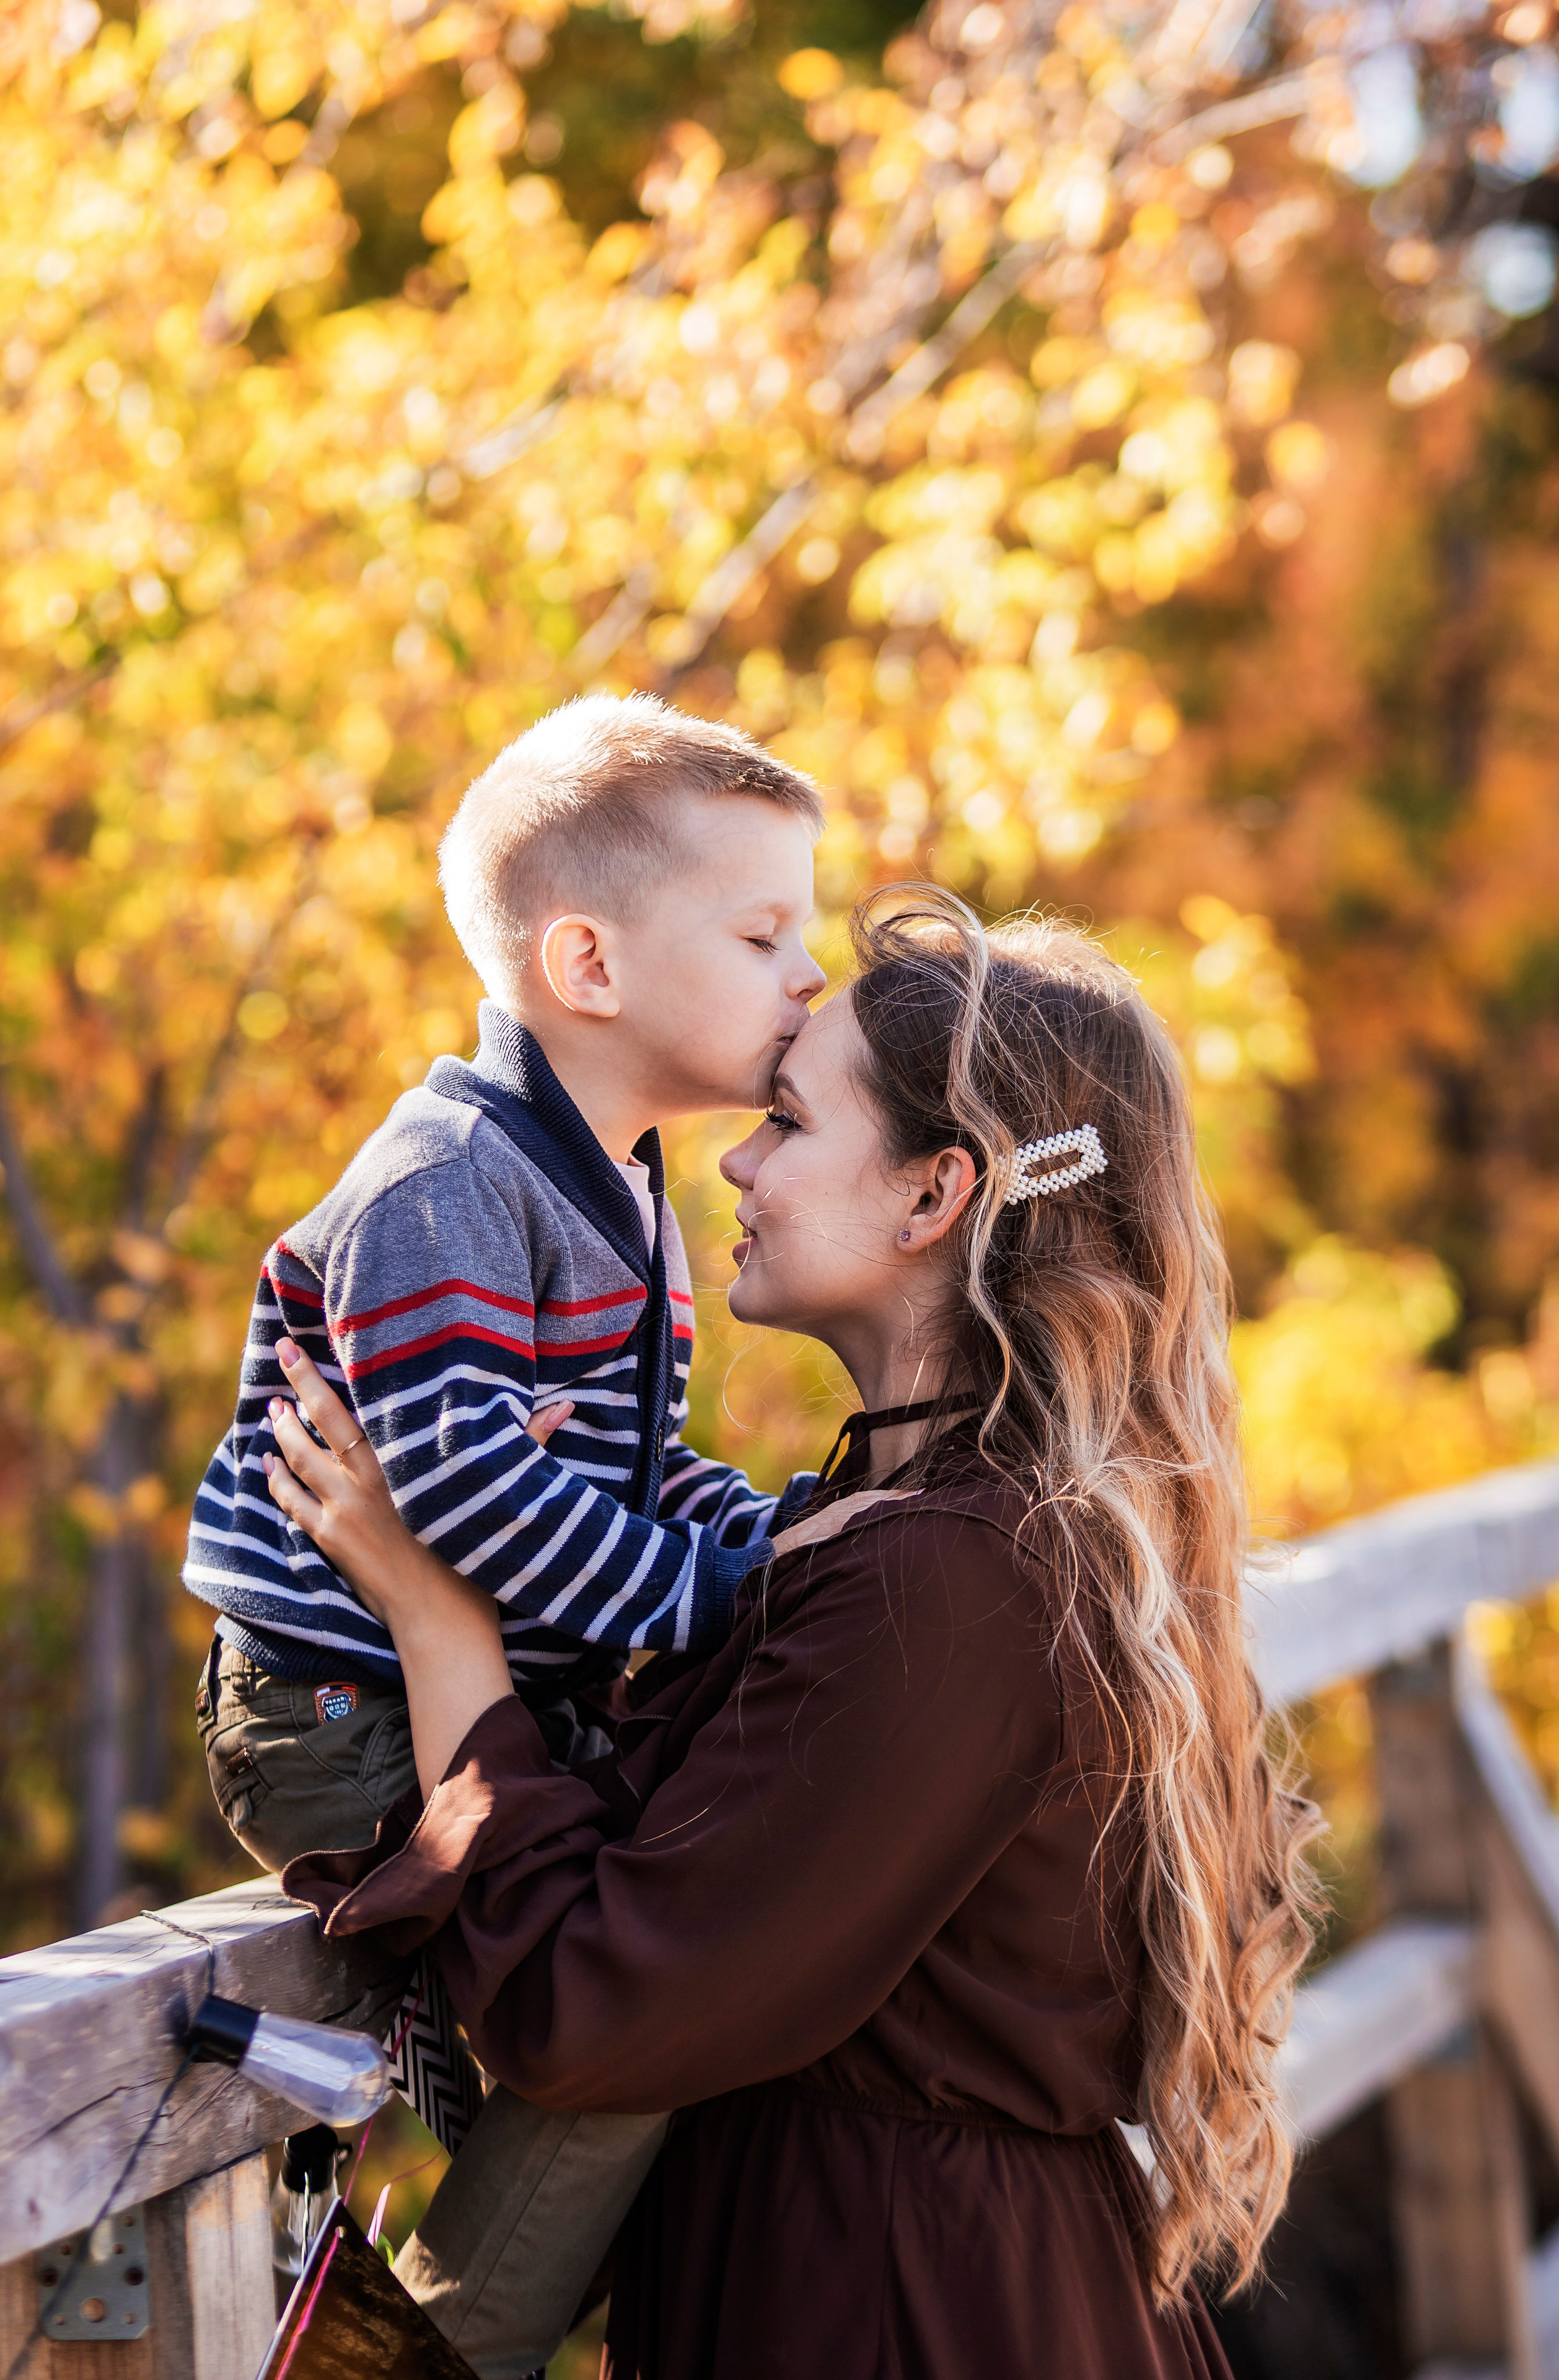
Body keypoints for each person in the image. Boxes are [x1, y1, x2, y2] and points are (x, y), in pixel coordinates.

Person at [266, 891, 1320, 2380]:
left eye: (786, 1122)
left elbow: (595, 2007)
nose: (736, 1160)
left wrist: (442, 1624)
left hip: (900, 2311)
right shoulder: (920, 1518)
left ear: (929, 1195)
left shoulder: (956, 1577)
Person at [183, 692, 831, 2373]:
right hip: (335, 1717)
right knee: (614, 2016)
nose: (809, 977)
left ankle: (416, 2274)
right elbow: (469, 1498)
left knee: (622, 2027)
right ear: (590, 969)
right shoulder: (446, 1187)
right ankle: (393, 2337)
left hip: (444, 1699)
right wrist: (710, 1594)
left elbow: (626, 1466)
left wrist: (773, 1539)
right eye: (764, 933)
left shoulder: (618, 1195)